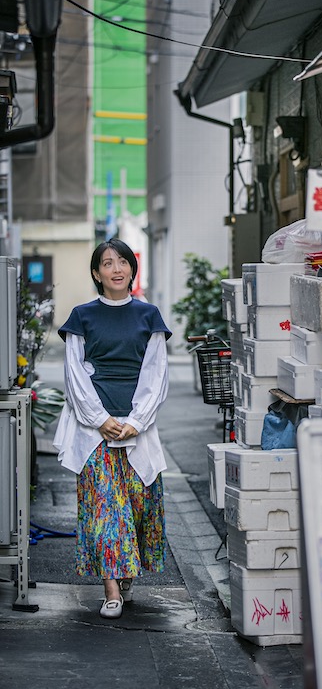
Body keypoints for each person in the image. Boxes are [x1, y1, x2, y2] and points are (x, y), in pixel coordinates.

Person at [53, 238, 172, 619]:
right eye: (107, 263)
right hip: (94, 431)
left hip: (138, 427)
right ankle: (111, 590)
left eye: (123, 261)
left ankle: (124, 574)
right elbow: (74, 375)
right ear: (96, 273)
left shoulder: (148, 315)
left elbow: (156, 373)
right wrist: (100, 419)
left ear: (132, 270)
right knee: (106, 509)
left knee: (140, 505)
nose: (117, 269)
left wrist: (135, 422)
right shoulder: (82, 317)